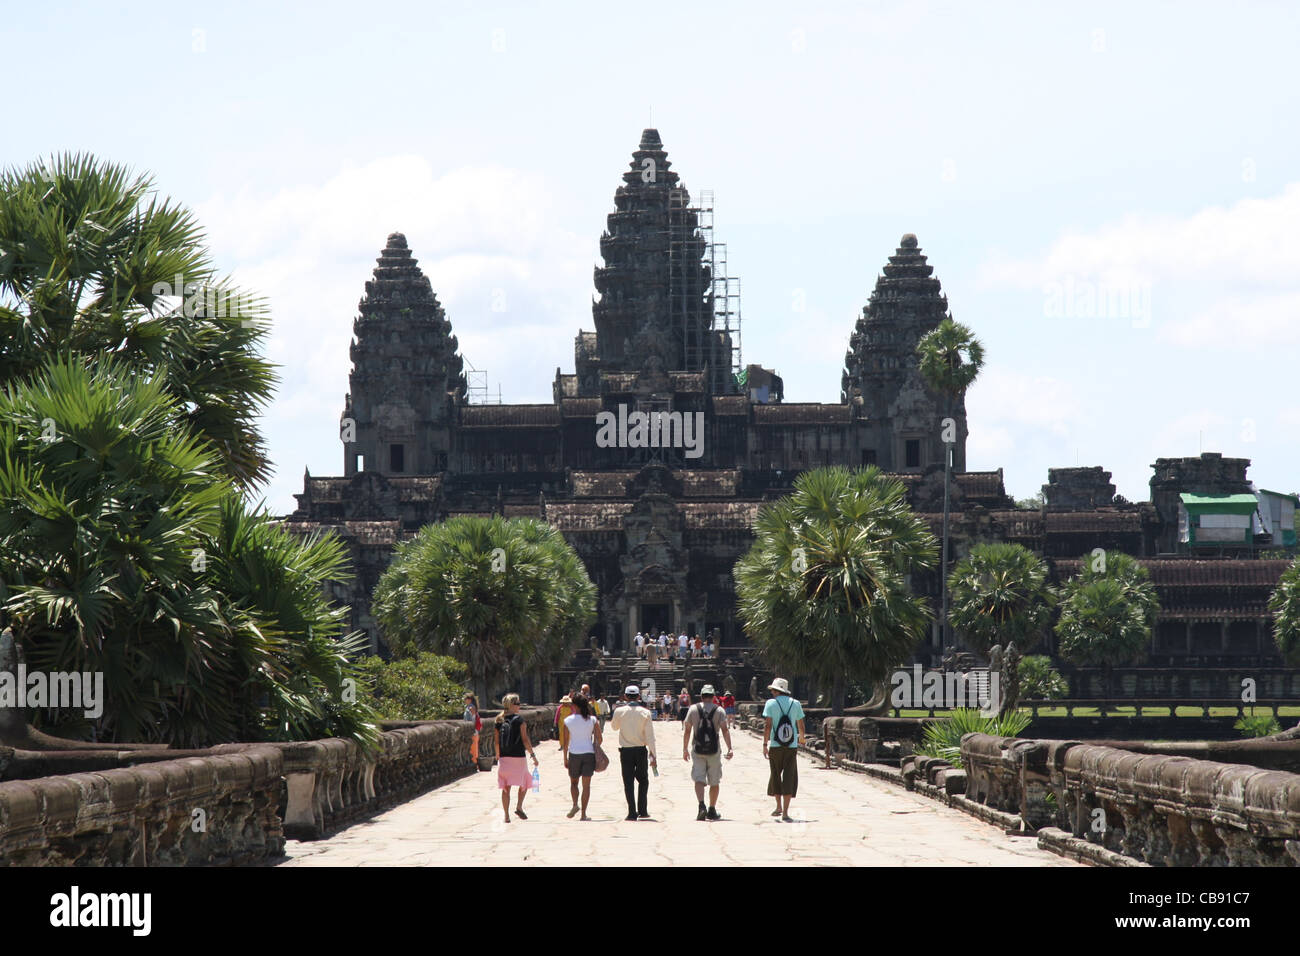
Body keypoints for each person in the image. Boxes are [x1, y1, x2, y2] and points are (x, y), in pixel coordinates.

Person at [682, 685, 733, 820]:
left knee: (699, 778)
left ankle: (701, 806)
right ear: (713, 697)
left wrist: (685, 749)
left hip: (697, 749)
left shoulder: (693, 709)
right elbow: (725, 730)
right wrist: (730, 748)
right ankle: (712, 809)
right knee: (714, 781)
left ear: (701, 696)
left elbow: (687, 730)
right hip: (714, 750)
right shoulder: (719, 710)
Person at [762, 677, 806, 822]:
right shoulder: (796, 703)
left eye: (773, 690)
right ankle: (786, 812)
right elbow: (800, 724)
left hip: (775, 745)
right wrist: (802, 738)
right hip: (791, 746)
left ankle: (778, 806)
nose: (772, 693)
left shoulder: (770, 703)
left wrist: (764, 743)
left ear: (776, 691)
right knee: (789, 776)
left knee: (775, 775)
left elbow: (768, 725)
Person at [610, 684, 657, 820]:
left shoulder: (619, 711)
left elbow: (614, 727)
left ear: (625, 696)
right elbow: (650, 736)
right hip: (641, 750)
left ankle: (631, 812)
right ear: (638, 697)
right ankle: (642, 810)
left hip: (626, 751)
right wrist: (653, 754)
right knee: (643, 780)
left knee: (628, 781)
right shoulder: (645, 712)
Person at [495, 693, 539, 823]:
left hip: (504, 758)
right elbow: (525, 740)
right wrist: (533, 756)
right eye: (518, 704)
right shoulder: (519, 720)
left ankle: (506, 816)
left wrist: (498, 756)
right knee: (525, 782)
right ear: (512, 705)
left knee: (505, 787)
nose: (519, 706)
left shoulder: (499, 720)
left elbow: (496, 742)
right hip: (519, 757)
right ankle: (519, 806)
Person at [563, 693, 602, 821]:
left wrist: (565, 758)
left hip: (574, 753)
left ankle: (575, 805)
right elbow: (599, 739)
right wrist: (594, 746)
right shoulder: (592, 720)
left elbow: (565, 742)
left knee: (574, 783)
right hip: (589, 754)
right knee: (586, 786)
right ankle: (584, 814)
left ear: (574, 705)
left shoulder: (568, 721)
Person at [463, 693, 482, 767]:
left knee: (473, 749)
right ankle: (474, 763)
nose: (465, 700)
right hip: (474, 731)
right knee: (474, 748)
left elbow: (472, 720)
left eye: (466, 699)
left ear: (469, 700)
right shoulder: (471, 707)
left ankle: (474, 764)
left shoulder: (471, 708)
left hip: (473, 731)